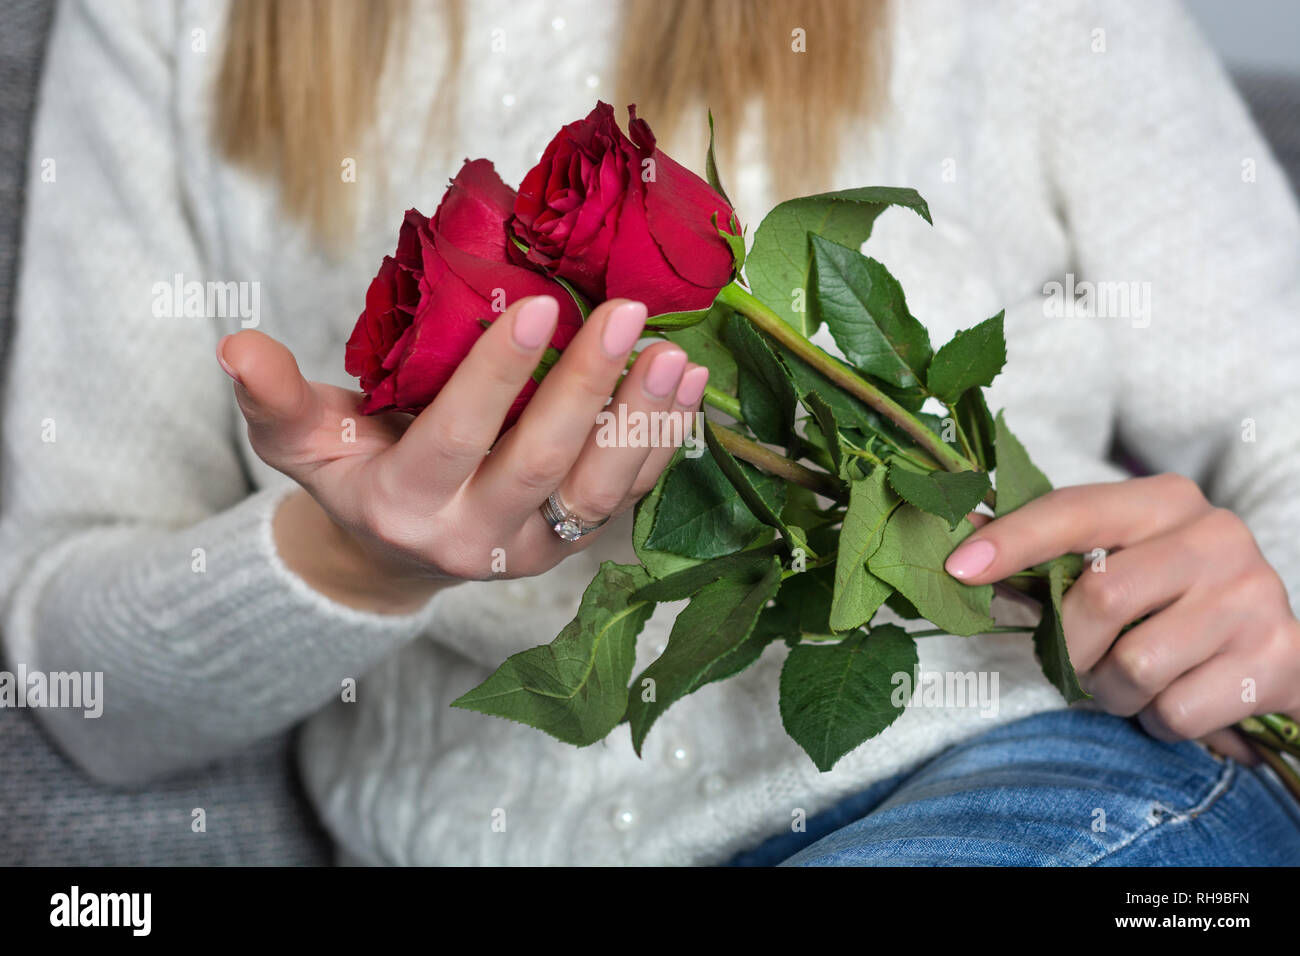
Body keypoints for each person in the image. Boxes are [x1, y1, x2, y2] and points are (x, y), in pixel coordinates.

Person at [3, 0, 1299, 866]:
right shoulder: (173, 19)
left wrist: (1265, 626)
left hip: (1016, 782)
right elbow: (90, 694)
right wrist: (355, 562)